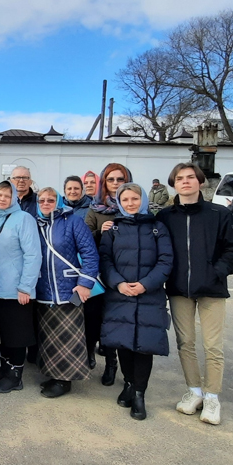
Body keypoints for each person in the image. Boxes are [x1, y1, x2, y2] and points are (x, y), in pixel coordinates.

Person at [157, 163, 233, 425]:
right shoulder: (165, 216)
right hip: (179, 289)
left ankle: (212, 397)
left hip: (212, 290)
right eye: (180, 179)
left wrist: (217, 271)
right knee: (185, 343)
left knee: (213, 346)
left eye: (190, 178)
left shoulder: (219, 214)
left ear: (201, 182)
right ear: (174, 184)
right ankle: (194, 391)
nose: (185, 182)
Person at [99, 183, 173, 420]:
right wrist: (119, 283)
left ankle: (140, 393)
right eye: (126, 199)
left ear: (142, 200)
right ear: (120, 202)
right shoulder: (113, 228)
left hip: (148, 294)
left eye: (134, 198)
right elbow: (105, 260)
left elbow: (166, 260)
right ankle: (129, 383)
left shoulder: (157, 227)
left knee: (144, 345)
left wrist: (146, 284)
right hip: (120, 293)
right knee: (123, 343)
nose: (130, 203)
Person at [34, 187, 98, 398]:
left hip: (68, 289)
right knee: (50, 337)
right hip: (44, 289)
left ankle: (64, 381)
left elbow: (89, 253)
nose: (45, 203)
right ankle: (54, 375)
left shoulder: (73, 221)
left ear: (58, 201)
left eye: (50, 200)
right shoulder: (35, 223)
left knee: (67, 338)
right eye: (41, 200)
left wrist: (85, 283)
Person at [0, 181, 41, 393]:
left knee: (16, 334)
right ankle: (5, 367)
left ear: (14, 197)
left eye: (8, 195)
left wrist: (26, 286)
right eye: (0, 195)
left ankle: (15, 375)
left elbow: (33, 254)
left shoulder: (24, 219)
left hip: (15, 290)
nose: (3, 199)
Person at [84, 163, 133, 386]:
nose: (115, 184)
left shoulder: (133, 207)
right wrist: (99, 232)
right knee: (93, 318)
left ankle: (114, 365)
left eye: (119, 179)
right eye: (111, 179)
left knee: (117, 321)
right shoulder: (95, 209)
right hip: (99, 275)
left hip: (126, 275)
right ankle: (96, 357)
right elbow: (84, 240)